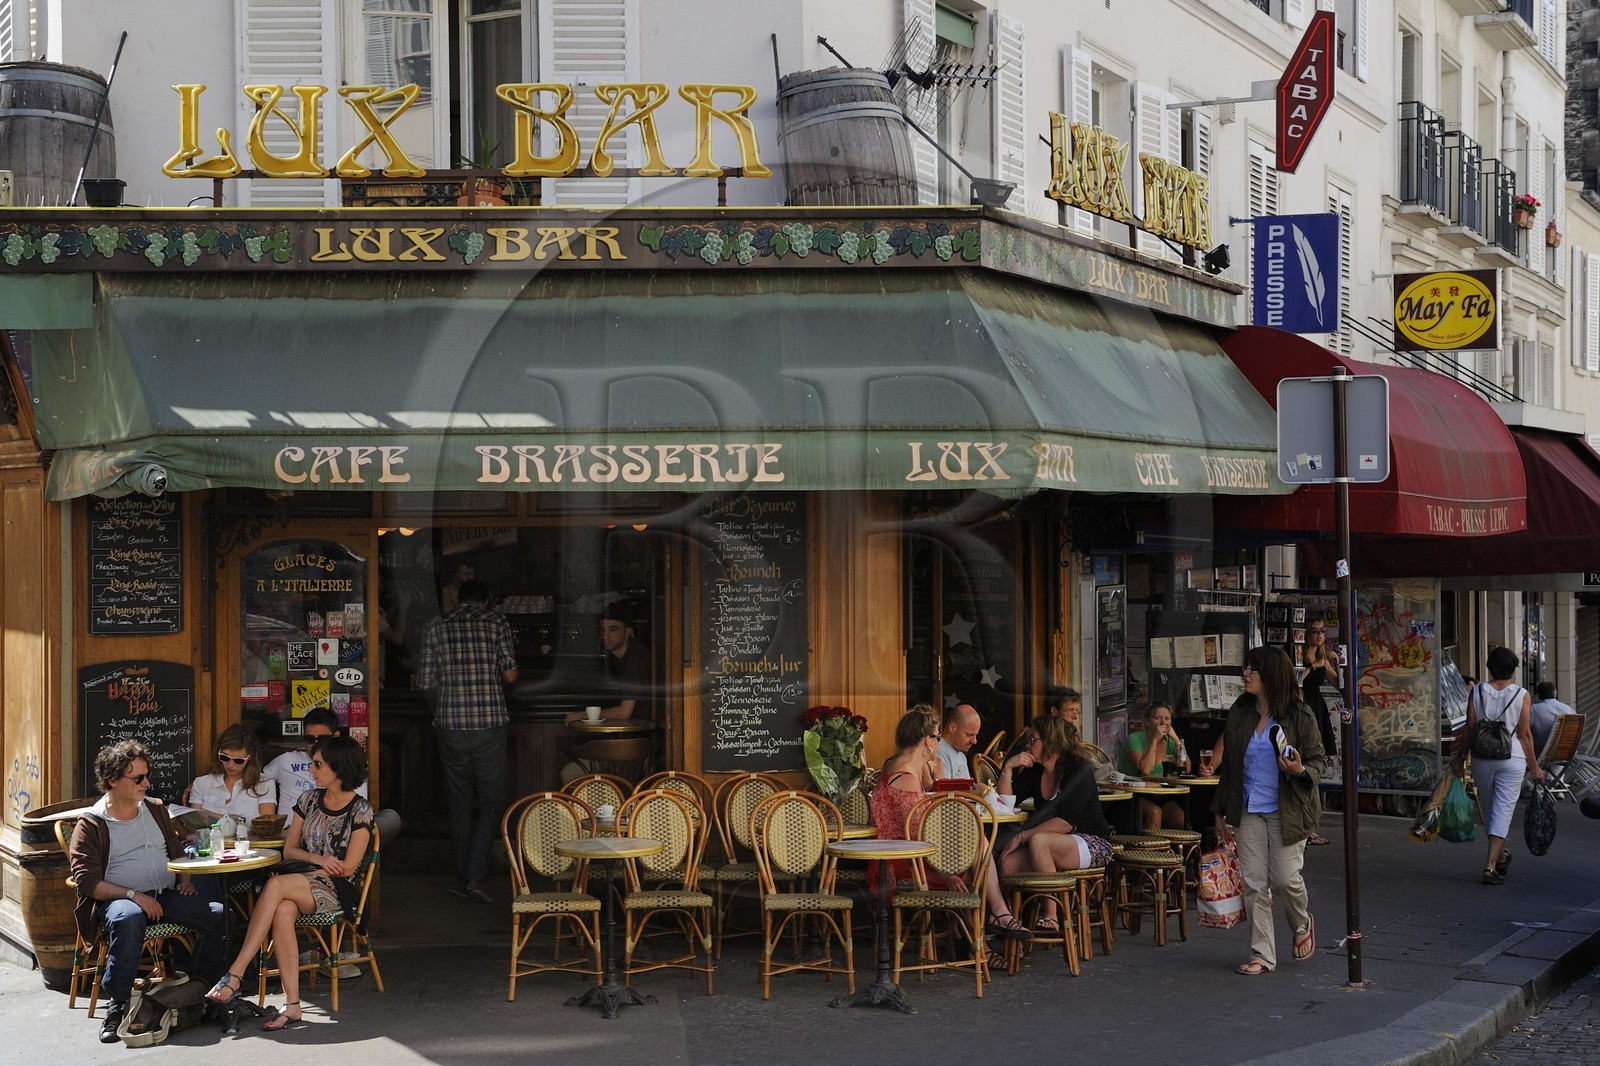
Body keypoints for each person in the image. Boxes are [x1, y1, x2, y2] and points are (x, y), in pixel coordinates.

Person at [206, 735, 375, 1032]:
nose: (312, 769)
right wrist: (318, 858)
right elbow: (289, 851)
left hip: (336, 888)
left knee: (275, 887)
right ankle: (293, 1005)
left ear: (339, 767)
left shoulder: (361, 810)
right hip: (303, 877)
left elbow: (347, 867)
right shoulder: (308, 800)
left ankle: (235, 973)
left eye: (318, 764)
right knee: (282, 909)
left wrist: (322, 865)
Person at [69, 740, 226, 1043]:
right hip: (120, 898)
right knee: (127, 919)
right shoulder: (92, 823)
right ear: (113, 780)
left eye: (146, 775)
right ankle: (117, 1003)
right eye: (138, 778)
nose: (147, 783)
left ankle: (195, 991)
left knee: (220, 915)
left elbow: (177, 852)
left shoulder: (155, 810)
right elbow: (87, 882)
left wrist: (184, 879)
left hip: (165, 893)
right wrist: (133, 896)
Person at [1212, 646, 1327, 976]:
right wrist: (1220, 811)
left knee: (1285, 878)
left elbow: (1319, 761)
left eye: (1253, 670)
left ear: (1272, 676)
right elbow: (1231, 767)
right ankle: (1262, 954)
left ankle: (1302, 923)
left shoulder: (1300, 715)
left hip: (1288, 809)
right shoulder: (1240, 712)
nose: (1245, 674)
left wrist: (1298, 770)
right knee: (1254, 883)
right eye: (1246, 668)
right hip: (1247, 808)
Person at [417, 579, 517, 904]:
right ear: (486, 600)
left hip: (450, 725)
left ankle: (464, 879)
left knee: (459, 802)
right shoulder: (496, 622)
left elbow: (425, 681)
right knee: (491, 801)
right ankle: (475, 877)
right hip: (489, 724)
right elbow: (511, 675)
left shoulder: (435, 625)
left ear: (458, 599)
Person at [991, 716, 1113, 938]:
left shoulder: (1078, 770)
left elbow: (1065, 823)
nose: (1028, 744)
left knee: (1039, 840)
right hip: (1050, 844)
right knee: (1007, 862)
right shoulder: (1036, 770)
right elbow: (1005, 805)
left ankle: (1051, 916)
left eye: (1033, 739)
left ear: (1050, 742)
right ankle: (1013, 923)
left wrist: (1022, 836)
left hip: (1091, 842)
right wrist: (1008, 767)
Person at [1450, 647, 1544, 885]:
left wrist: (1460, 757)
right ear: (1512, 669)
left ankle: (1499, 855)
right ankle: (1491, 866)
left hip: (1482, 759)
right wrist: (1535, 767)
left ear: (1490, 667)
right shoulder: (1521, 694)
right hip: (1512, 759)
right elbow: (1524, 735)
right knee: (1501, 811)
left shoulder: (1478, 691)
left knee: (1492, 808)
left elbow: (1470, 728)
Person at [263, 708, 369, 815]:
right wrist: (268, 808)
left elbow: (358, 810)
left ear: (336, 736)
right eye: (310, 739)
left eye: (323, 739)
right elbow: (256, 778)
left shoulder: (348, 766)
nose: (316, 744)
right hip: (289, 828)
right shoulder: (285, 761)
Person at [564, 610, 651, 724]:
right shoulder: (621, 657)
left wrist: (583, 715)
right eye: (602, 630)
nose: (605, 636)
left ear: (628, 632)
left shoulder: (634, 658)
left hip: (645, 732)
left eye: (613, 629)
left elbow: (624, 712)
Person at [186, 723, 277, 821]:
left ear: (250, 757)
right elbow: (194, 826)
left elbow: (266, 825)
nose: (230, 765)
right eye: (225, 757)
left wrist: (207, 813)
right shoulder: (202, 783)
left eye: (239, 760)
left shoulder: (264, 783)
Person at [1119, 703, 1190, 829]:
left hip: (1159, 794)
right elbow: (1145, 770)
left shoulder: (1170, 742)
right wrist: (1154, 741)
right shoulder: (1134, 739)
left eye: (1167, 718)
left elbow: (1187, 768)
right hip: (1132, 795)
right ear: (1147, 721)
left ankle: (1174, 849)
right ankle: (1152, 849)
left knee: (1181, 818)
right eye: (1157, 718)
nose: (1163, 722)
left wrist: (1176, 740)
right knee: (1154, 812)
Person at [1004, 686, 1082, 760]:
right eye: (1070, 711)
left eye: (1077, 711)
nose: (1075, 717)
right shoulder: (1038, 735)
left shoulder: (1069, 735)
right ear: (1054, 711)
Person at [935, 702, 981, 780]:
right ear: (952, 727)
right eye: (969, 735)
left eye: (975, 735)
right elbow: (944, 790)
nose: (974, 741)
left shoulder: (962, 756)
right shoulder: (939, 750)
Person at [1528, 681, 1572, 755]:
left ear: (1539, 694)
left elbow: (1525, 729)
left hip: (1543, 753)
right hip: (1568, 751)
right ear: (1555, 692)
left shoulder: (1534, 709)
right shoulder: (1568, 709)